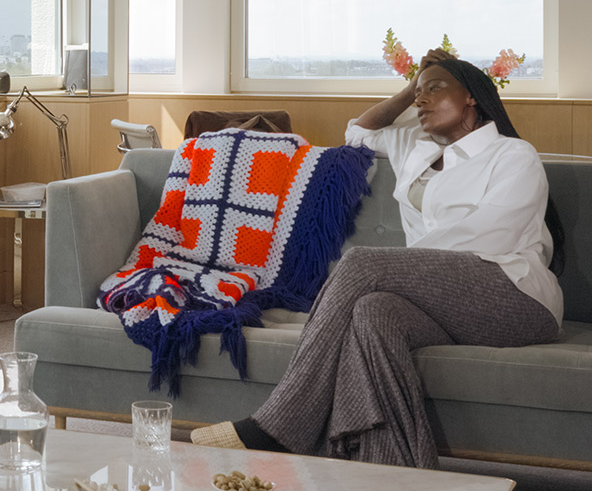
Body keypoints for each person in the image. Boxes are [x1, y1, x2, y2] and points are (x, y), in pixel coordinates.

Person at [189, 49, 564, 469]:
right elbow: (357, 132)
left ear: (472, 96)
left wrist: (394, 269)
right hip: (442, 301)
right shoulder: (416, 148)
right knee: (373, 312)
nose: (421, 101)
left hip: (514, 295)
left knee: (362, 265)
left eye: (435, 89)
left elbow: (495, 233)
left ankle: (279, 425)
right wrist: (411, 89)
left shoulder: (513, 155)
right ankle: (395, 475)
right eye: (417, 94)